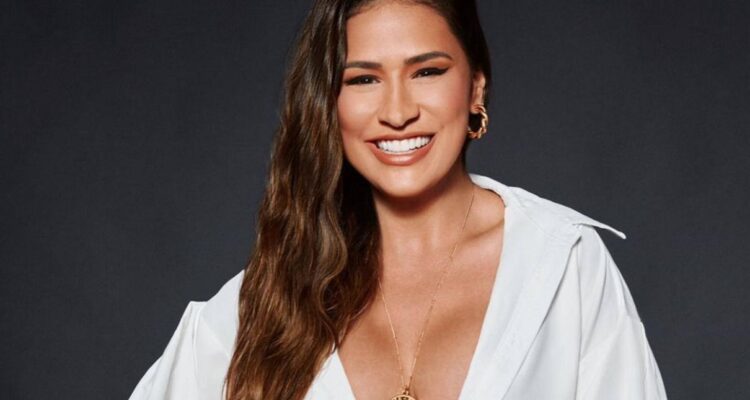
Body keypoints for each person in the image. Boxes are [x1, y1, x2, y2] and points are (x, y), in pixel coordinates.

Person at [129, 0, 667, 399]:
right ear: (329, 103)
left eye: (427, 71)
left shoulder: (563, 266)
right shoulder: (267, 298)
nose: (397, 111)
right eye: (363, 79)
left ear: (475, 87)